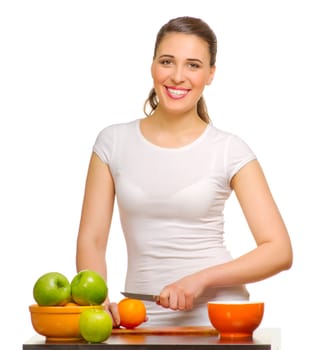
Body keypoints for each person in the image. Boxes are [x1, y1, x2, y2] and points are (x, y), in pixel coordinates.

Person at [75, 16, 293, 327]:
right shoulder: (112, 142)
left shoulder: (230, 149)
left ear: (210, 74)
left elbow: (279, 250)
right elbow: (93, 240)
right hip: (139, 318)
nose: (178, 76)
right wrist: (98, 302)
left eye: (193, 65)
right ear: (152, 66)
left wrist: (200, 280)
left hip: (218, 318)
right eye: (167, 61)